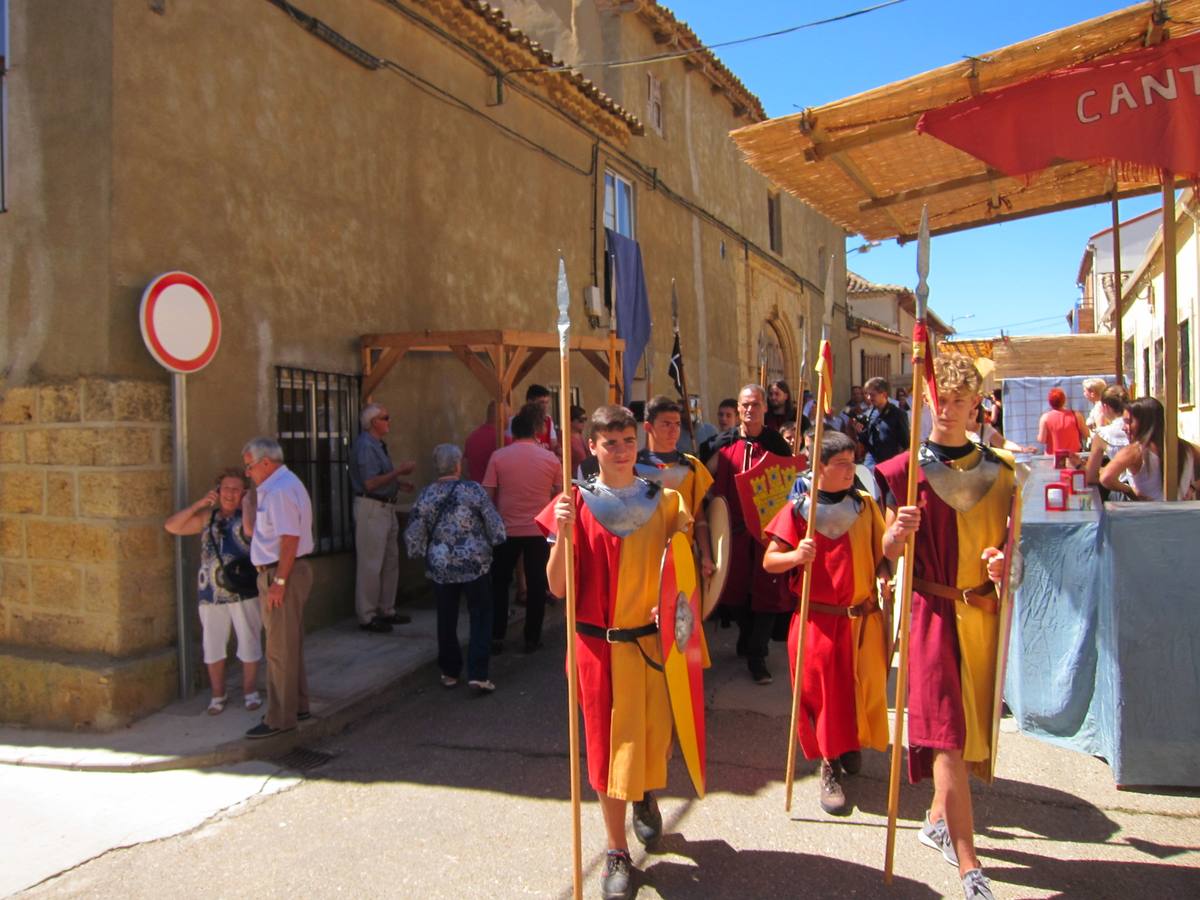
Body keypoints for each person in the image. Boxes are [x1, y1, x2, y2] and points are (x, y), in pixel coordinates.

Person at [874, 353, 1016, 900]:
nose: (950, 410)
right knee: (947, 738)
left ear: (977, 404)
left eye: (961, 400)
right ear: (927, 400)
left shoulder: (1002, 472)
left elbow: (1016, 548)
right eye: (942, 399)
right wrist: (897, 535)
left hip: (980, 614)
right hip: (929, 612)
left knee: (971, 736)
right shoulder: (904, 471)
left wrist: (1004, 563)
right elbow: (886, 554)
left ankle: (936, 818)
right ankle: (968, 861)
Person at [541, 405, 694, 900]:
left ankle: (644, 795)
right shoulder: (574, 503)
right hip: (596, 649)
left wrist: (670, 605)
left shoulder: (666, 501)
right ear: (593, 447)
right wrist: (561, 533)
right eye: (611, 443)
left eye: (628, 440)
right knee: (606, 755)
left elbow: (685, 577)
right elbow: (558, 588)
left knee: (649, 740)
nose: (622, 450)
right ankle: (615, 851)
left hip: (648, 647)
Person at [763, 432, 894, 815]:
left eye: (853, 463)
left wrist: (885, 571)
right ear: (818, 468)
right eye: (841, 465)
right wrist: (795, 557)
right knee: (823, 695)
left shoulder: (865, 507)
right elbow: (770, 561)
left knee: (858, 687)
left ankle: (849, 743)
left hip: (860, 619)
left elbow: (881, 553)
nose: (850, 471)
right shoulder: (798, 512)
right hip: (817, 620)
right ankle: (828, 765)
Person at [706, 384, 793, 685]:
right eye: (745, 405)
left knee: (768, 594)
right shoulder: (723, 444)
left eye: (755, 404)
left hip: (768, 534)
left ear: (764, 408)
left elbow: (789, 483)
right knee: (735, 593)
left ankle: (758, 656)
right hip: (734, 533)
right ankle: (746, 637)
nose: (749, 410)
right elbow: (705, 475)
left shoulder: (777, 445)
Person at [405, 444, 506, 692]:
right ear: (458, 465)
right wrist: (498, 540)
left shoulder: (427, 494)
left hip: (441, 565)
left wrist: (418, 552)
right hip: (474, 563)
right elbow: (493, 521)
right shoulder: (472, 490)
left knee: (446, 618)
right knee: (481, 615)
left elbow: (415, 530)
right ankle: (478, 673)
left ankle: (450, 671)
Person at [164, 468, 263, 715]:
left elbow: (253, 532)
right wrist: (200, 503)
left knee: (249, 640)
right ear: (218, 491)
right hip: (210, 592)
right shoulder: (208, 518)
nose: (230, 494)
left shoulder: (248, 516)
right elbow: (172, 526)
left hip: (243, 590)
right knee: (213, 644)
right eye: (226, 488)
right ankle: (218, 694)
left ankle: (250, 691)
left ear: (244, 492)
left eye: (236, 489)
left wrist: (249, 502)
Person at [242, 437, 315, 739]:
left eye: (250, 466)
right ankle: (296, 705)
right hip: (281, 572)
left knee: (279, 649)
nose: (248, 472)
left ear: (266, 463)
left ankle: (279, 718)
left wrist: (279, 582)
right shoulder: (277, 487)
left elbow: (290, 539)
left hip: (282, 573)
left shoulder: (281, 490)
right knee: (289, 644)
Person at [484, 402, 562, 655]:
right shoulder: (550, 459)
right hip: (537, 528)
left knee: (499, 584)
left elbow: (488, 494)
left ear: (513, 433)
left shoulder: (499, 456)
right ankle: (532, 637)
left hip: (506, 529)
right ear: (537, 432)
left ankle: (496, 635)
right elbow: (559, 494)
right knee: (538, 584)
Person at [349, 403, 416, 634]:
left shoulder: (376, 445)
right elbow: (369, 483)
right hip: (372, 507)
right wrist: (399, 472)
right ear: (373, 422)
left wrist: (397, 484)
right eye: (385, 417)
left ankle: (386, 608)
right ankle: (367, 615)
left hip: (385, 507)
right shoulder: (366, 446)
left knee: (390, 560)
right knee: (371, 563)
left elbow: (379, 478)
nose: (389, 421)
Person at [637, 395, 715, 578]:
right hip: (644, 561)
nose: (674, 430)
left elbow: (699, 518)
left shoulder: (692, 466)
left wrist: (706, 556)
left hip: (683, 557)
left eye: (677, 424)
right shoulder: (630, 467)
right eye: (666, 424)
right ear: (648, 427)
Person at [1085, 387, 1129, 494]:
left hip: (1121, 489)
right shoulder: (1141, 428)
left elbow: (1091, 476)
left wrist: (1078, 466)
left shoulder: (1103, 434)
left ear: (1105, 407)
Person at [860, 376, 910, 468]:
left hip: (890, 462)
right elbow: (867, 440)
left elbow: (906, 444)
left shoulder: (898, 414)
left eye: (872, 395)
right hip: (871, 461)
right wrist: (859, 432)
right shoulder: (870, 413)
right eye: (867, 394)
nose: (869, 398)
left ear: (884, 395)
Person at [1036, 388, 1086, 459]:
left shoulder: (1045, 418)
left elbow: (1042, 440)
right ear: (1064, 400)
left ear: (1050, 402)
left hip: (1053, 457)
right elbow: (1086, 434)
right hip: (1074, 457)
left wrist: (1038, 436)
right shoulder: (1076, 415)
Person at [508, 384, 558, 453]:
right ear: (529, 402)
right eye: (541, 402)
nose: (545, 406)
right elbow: (510, 445)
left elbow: (554, 446)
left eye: (547, 402)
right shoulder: (514, 421)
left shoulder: (548, 420)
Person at [464, 400, 502, 483]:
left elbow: (466, 470)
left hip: (475, 492)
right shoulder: (504, 439)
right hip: (496, 494)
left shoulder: (471, 438)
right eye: (508, 416)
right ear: (500, 417)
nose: (509, 419)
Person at [567, 404, 591, 477]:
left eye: (585, 419)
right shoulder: (564, 438)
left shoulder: (579, 435)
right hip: (572, 479)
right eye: (581, 420)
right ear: (570, 421)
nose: (584, 423)